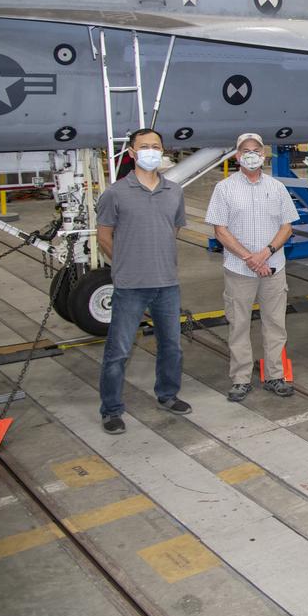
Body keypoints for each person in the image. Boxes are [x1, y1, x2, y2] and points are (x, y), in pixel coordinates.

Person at [95, 129, 189, 434]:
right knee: (118, 351)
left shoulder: (174, 191)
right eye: (144, 147)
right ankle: (111, 409)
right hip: (130, 285)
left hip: (167, 283)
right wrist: (126, 261)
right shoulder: (115, 193)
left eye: (156, 147)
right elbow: (104, 235)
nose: (151, 151)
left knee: (171, 346)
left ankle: (167, 394)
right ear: (132, 154)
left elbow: (173, 230)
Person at [205, 133, 300, 402]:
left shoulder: (277, 187)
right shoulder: (224, 189)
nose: (251, 154)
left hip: (273, 267)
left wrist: (266, 253)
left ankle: (275, 376)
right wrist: (249, 257)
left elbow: (287, 226)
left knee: (275, 325)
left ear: (264, 155)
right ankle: (240, 379)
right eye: (245, 150)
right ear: (237, 156)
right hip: (239, 270)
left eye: (256, 150)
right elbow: (220, 230)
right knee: (238, 325)